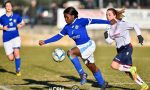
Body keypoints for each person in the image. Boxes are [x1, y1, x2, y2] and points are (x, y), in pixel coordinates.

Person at [39, 7, 110, 89]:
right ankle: (102, 84)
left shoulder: (81, 21)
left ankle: (82, 74)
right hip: (81, 48)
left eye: (67, 17)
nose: (65, 19)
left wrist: (109, 22)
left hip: (88, 45)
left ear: (73, 16)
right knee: (92, 67)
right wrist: (45, 41)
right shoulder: (66, 28)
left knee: (70, 52)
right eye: (64, 17)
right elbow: (58, 36)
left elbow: (95, 21)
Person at [104, 8, 149, 90]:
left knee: (114, 65)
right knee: (129, 73)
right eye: (106, 15)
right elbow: (110, 41)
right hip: (119, 50)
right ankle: (144, 85)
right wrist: (106, 38)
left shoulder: (121, 24)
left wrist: (139, 35)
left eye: (109, 14)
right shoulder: (108, 27)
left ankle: (131, 68)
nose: (107, 16)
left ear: (114, 15)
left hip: (127, 48)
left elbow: (135, 25)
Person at [0, 1, 25, 76]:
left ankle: (18, 70)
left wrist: (20, 26)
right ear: (5, 8)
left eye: (9, 6)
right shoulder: (2, 18)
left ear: (12, 7)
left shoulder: (17, 16)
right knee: (11, 58)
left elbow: (23, 23)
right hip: (6, 39)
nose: (8, 7)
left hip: (15, 37)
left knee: (17, 52)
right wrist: (2, 28)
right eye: (7, 6)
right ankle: (14, 53)